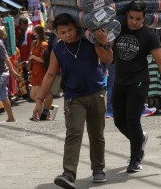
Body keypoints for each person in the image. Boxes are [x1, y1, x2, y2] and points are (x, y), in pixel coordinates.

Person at [33, 13, 112, 188]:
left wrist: (103, 42)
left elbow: (108, 59)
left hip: (96, 93)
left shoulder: (89, 41)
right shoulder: (57, 50)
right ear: (57, 33)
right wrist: (39, 100)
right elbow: (50, 75)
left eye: (70, 30)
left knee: (97, 133)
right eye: (63, 32)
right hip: (73, 97)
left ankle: (98, 169)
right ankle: (68, 173)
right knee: (73, 133)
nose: (67, 34)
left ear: (76, 27)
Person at [111, 0, 161, 173]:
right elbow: (108, 57)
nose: (133, 21)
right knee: (118, 121)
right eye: (131, 17)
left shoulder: (149, 35)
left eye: (138, 19)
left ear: (144, 18)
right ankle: (140, 139)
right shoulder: (118, 30)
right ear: (126, 15)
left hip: (139, 82)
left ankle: (135, 159)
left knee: (132, 119)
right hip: (119, 81)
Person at [28, 25, 52, 115]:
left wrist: (33, 57)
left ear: (38, 34)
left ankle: (40, 113)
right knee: (33, 94)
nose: (32, 34)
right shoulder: (34, 43)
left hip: (41, 70)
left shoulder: (44, 44)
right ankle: (46, 109)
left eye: (34, 33)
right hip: (34, 70)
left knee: (40, 93)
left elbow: (43, 60)